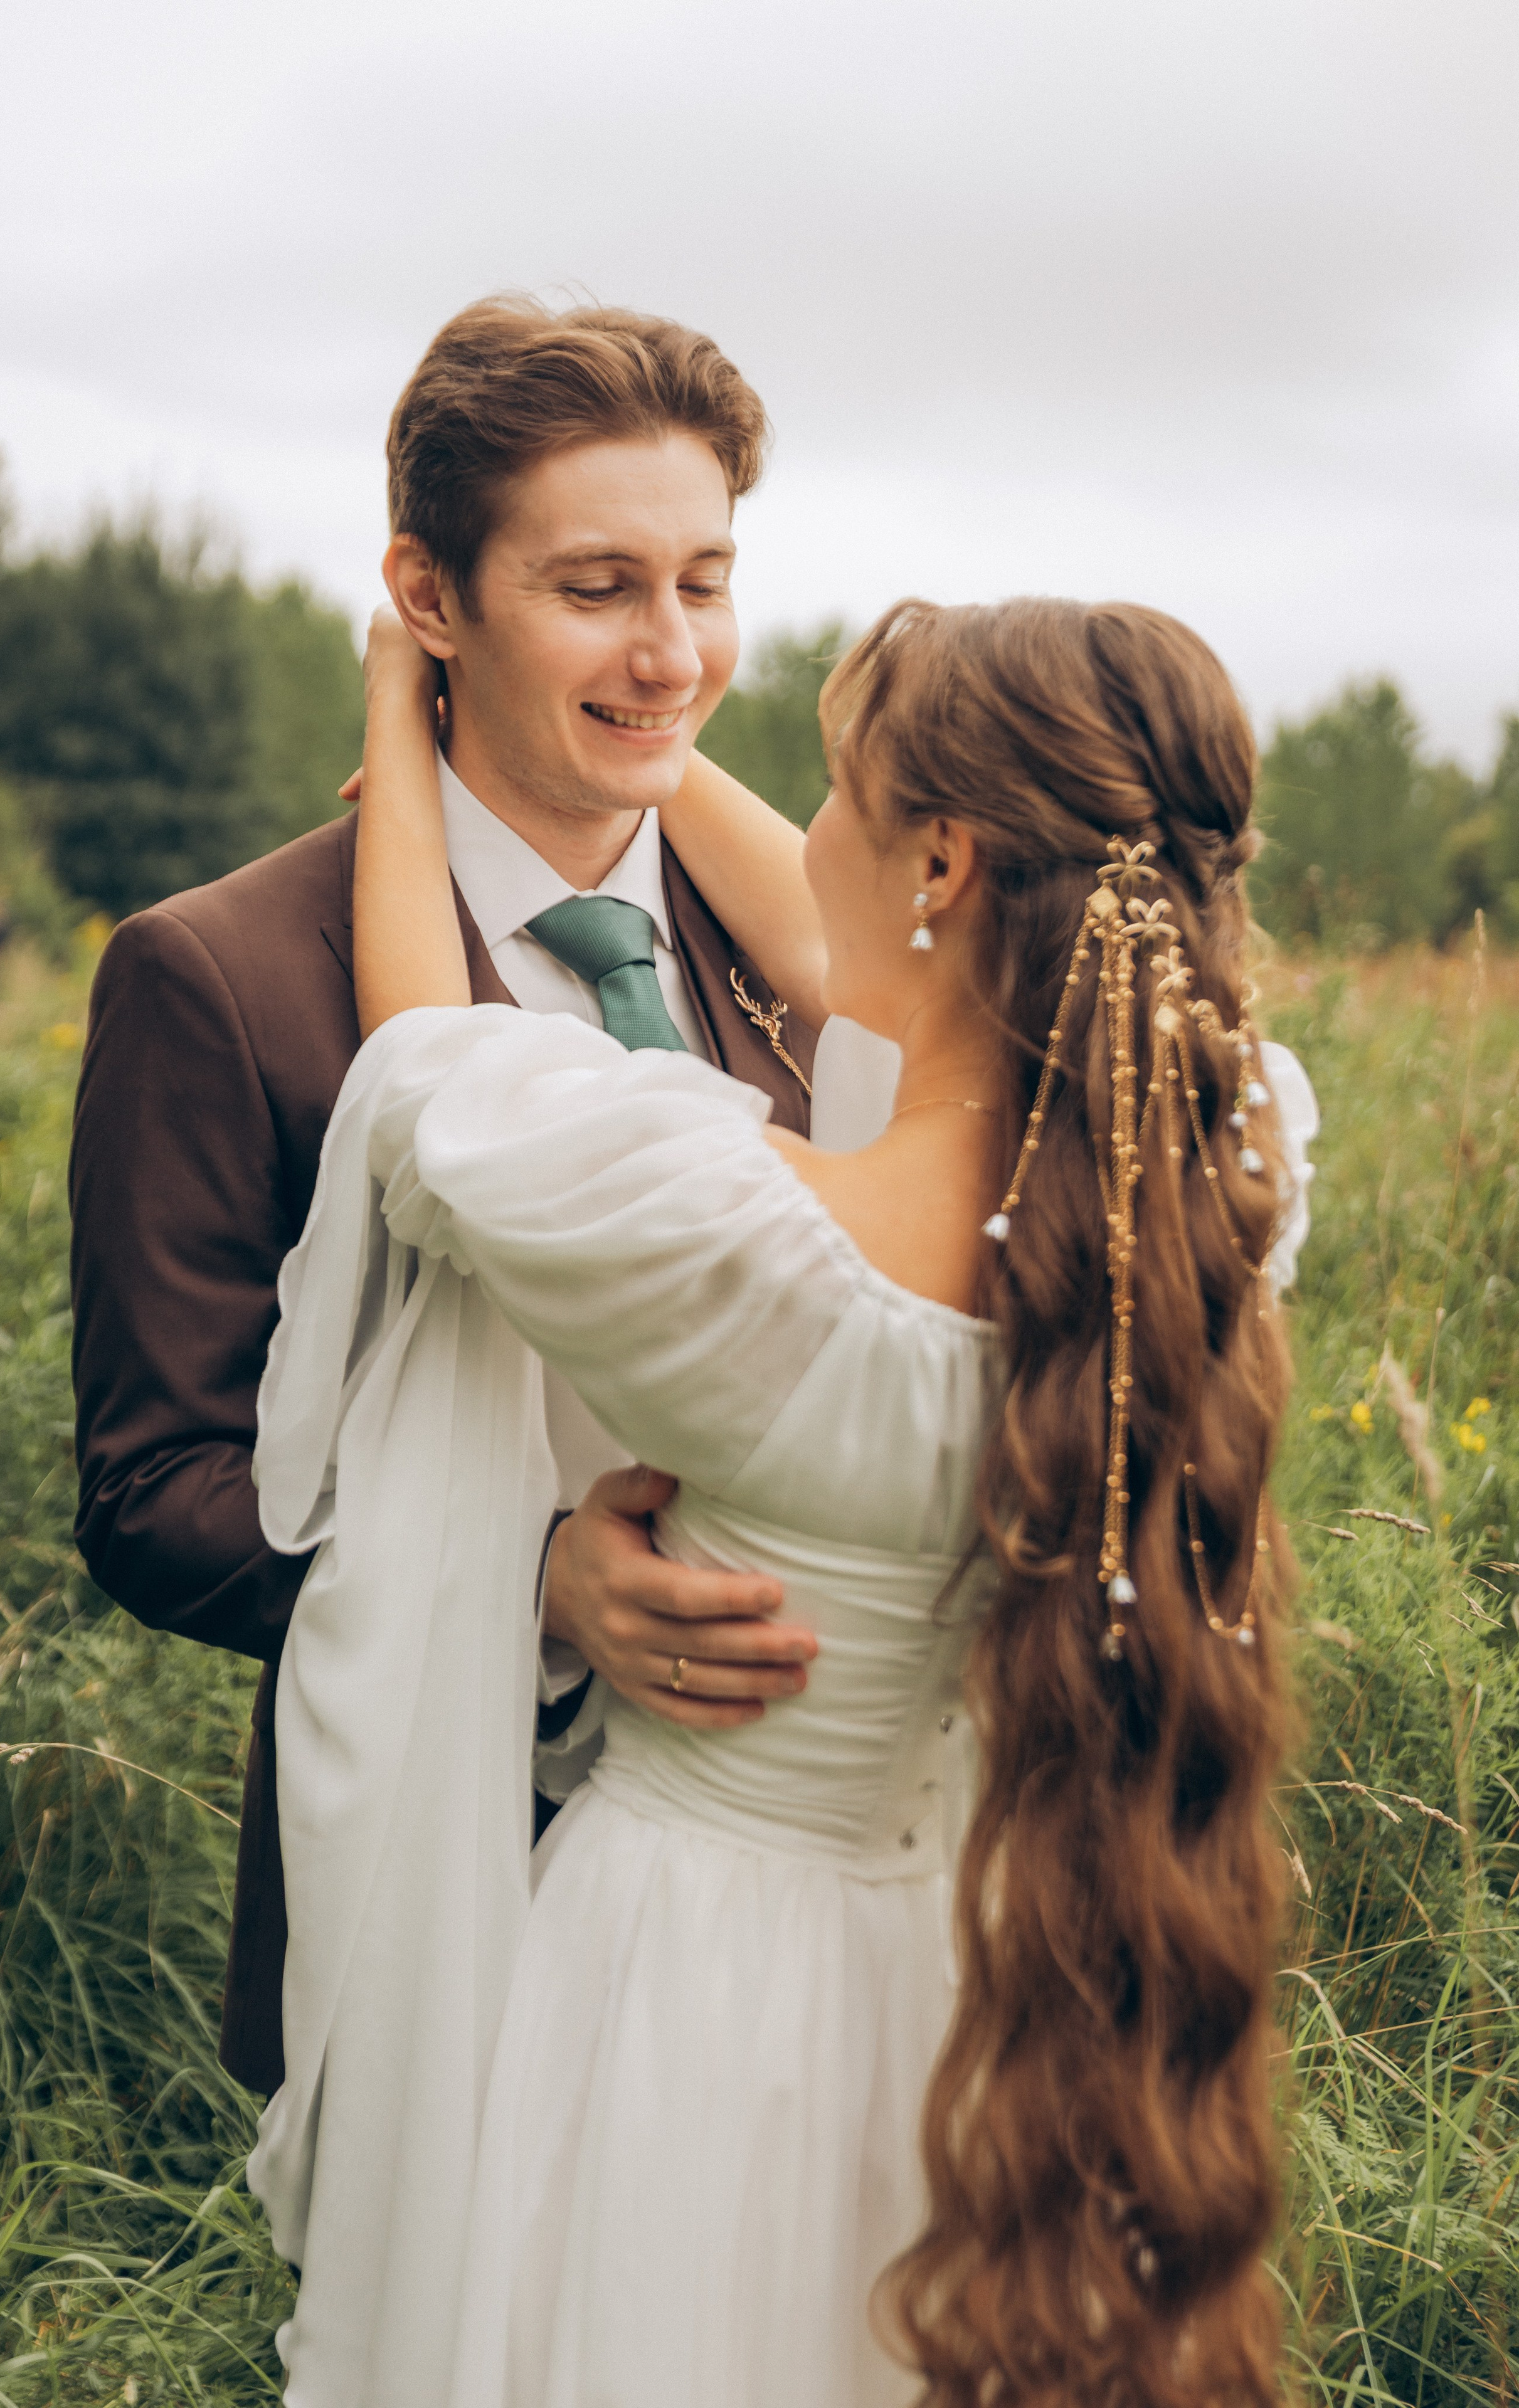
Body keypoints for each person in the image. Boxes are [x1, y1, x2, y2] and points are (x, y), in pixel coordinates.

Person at [250, 594, 1317, 2405]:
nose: (800, 834)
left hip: (694, 1989)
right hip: (984, 1982)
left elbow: (430, 1079)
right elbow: (946, 972)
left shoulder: (752, 1253)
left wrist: (407, 712)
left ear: (946, 863)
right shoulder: (1218, 1190)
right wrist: (672, 750)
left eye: (841, 793)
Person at [68, 297, 854, 2099]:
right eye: (598, 589)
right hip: (440, 1893)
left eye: (706, 581)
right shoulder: (218, 978)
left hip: (818, 1877)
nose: (672, 656)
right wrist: (534, 1590)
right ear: (431, 600)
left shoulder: (846, 945)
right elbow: (157, 1491)